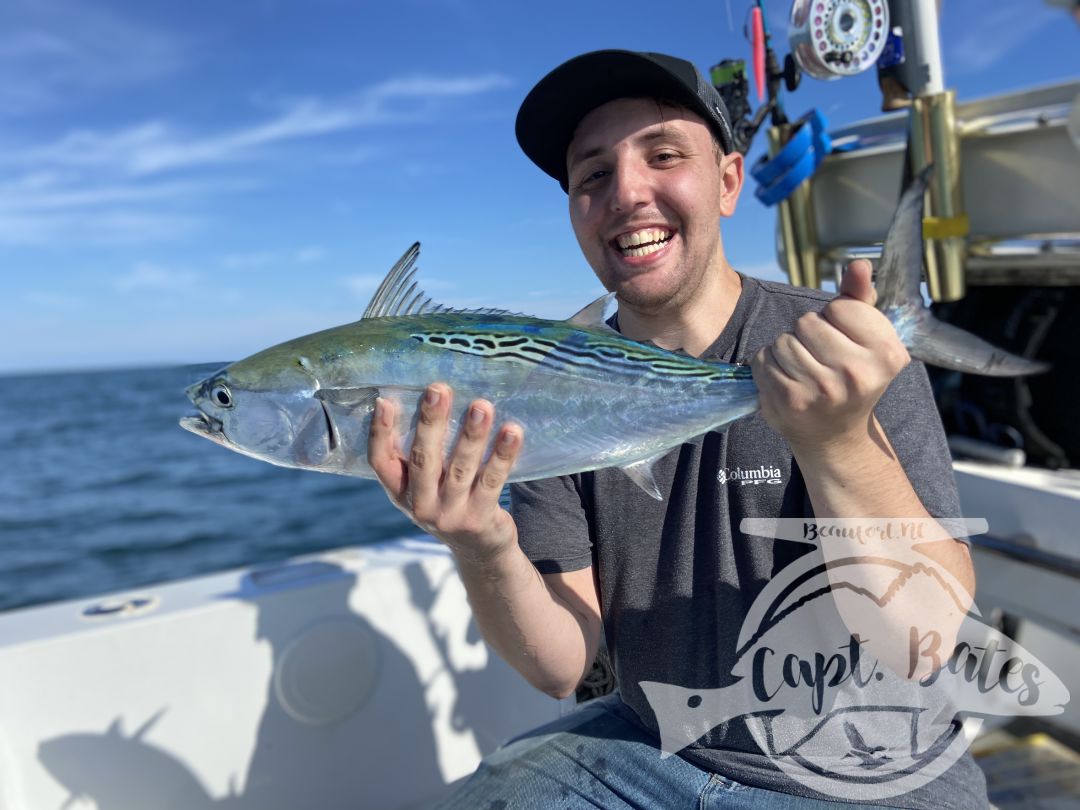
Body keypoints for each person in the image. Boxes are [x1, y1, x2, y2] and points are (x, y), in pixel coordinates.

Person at [368, 50, 988, 809]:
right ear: (574, 214)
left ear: (728, 182)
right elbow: (564, 665)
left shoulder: (843, 352)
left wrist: (839, 438)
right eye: (592, 176)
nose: (626, 192)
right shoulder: (546, 386)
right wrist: (481, 543)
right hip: (651, 752)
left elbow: (922, 641)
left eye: (663, 155)